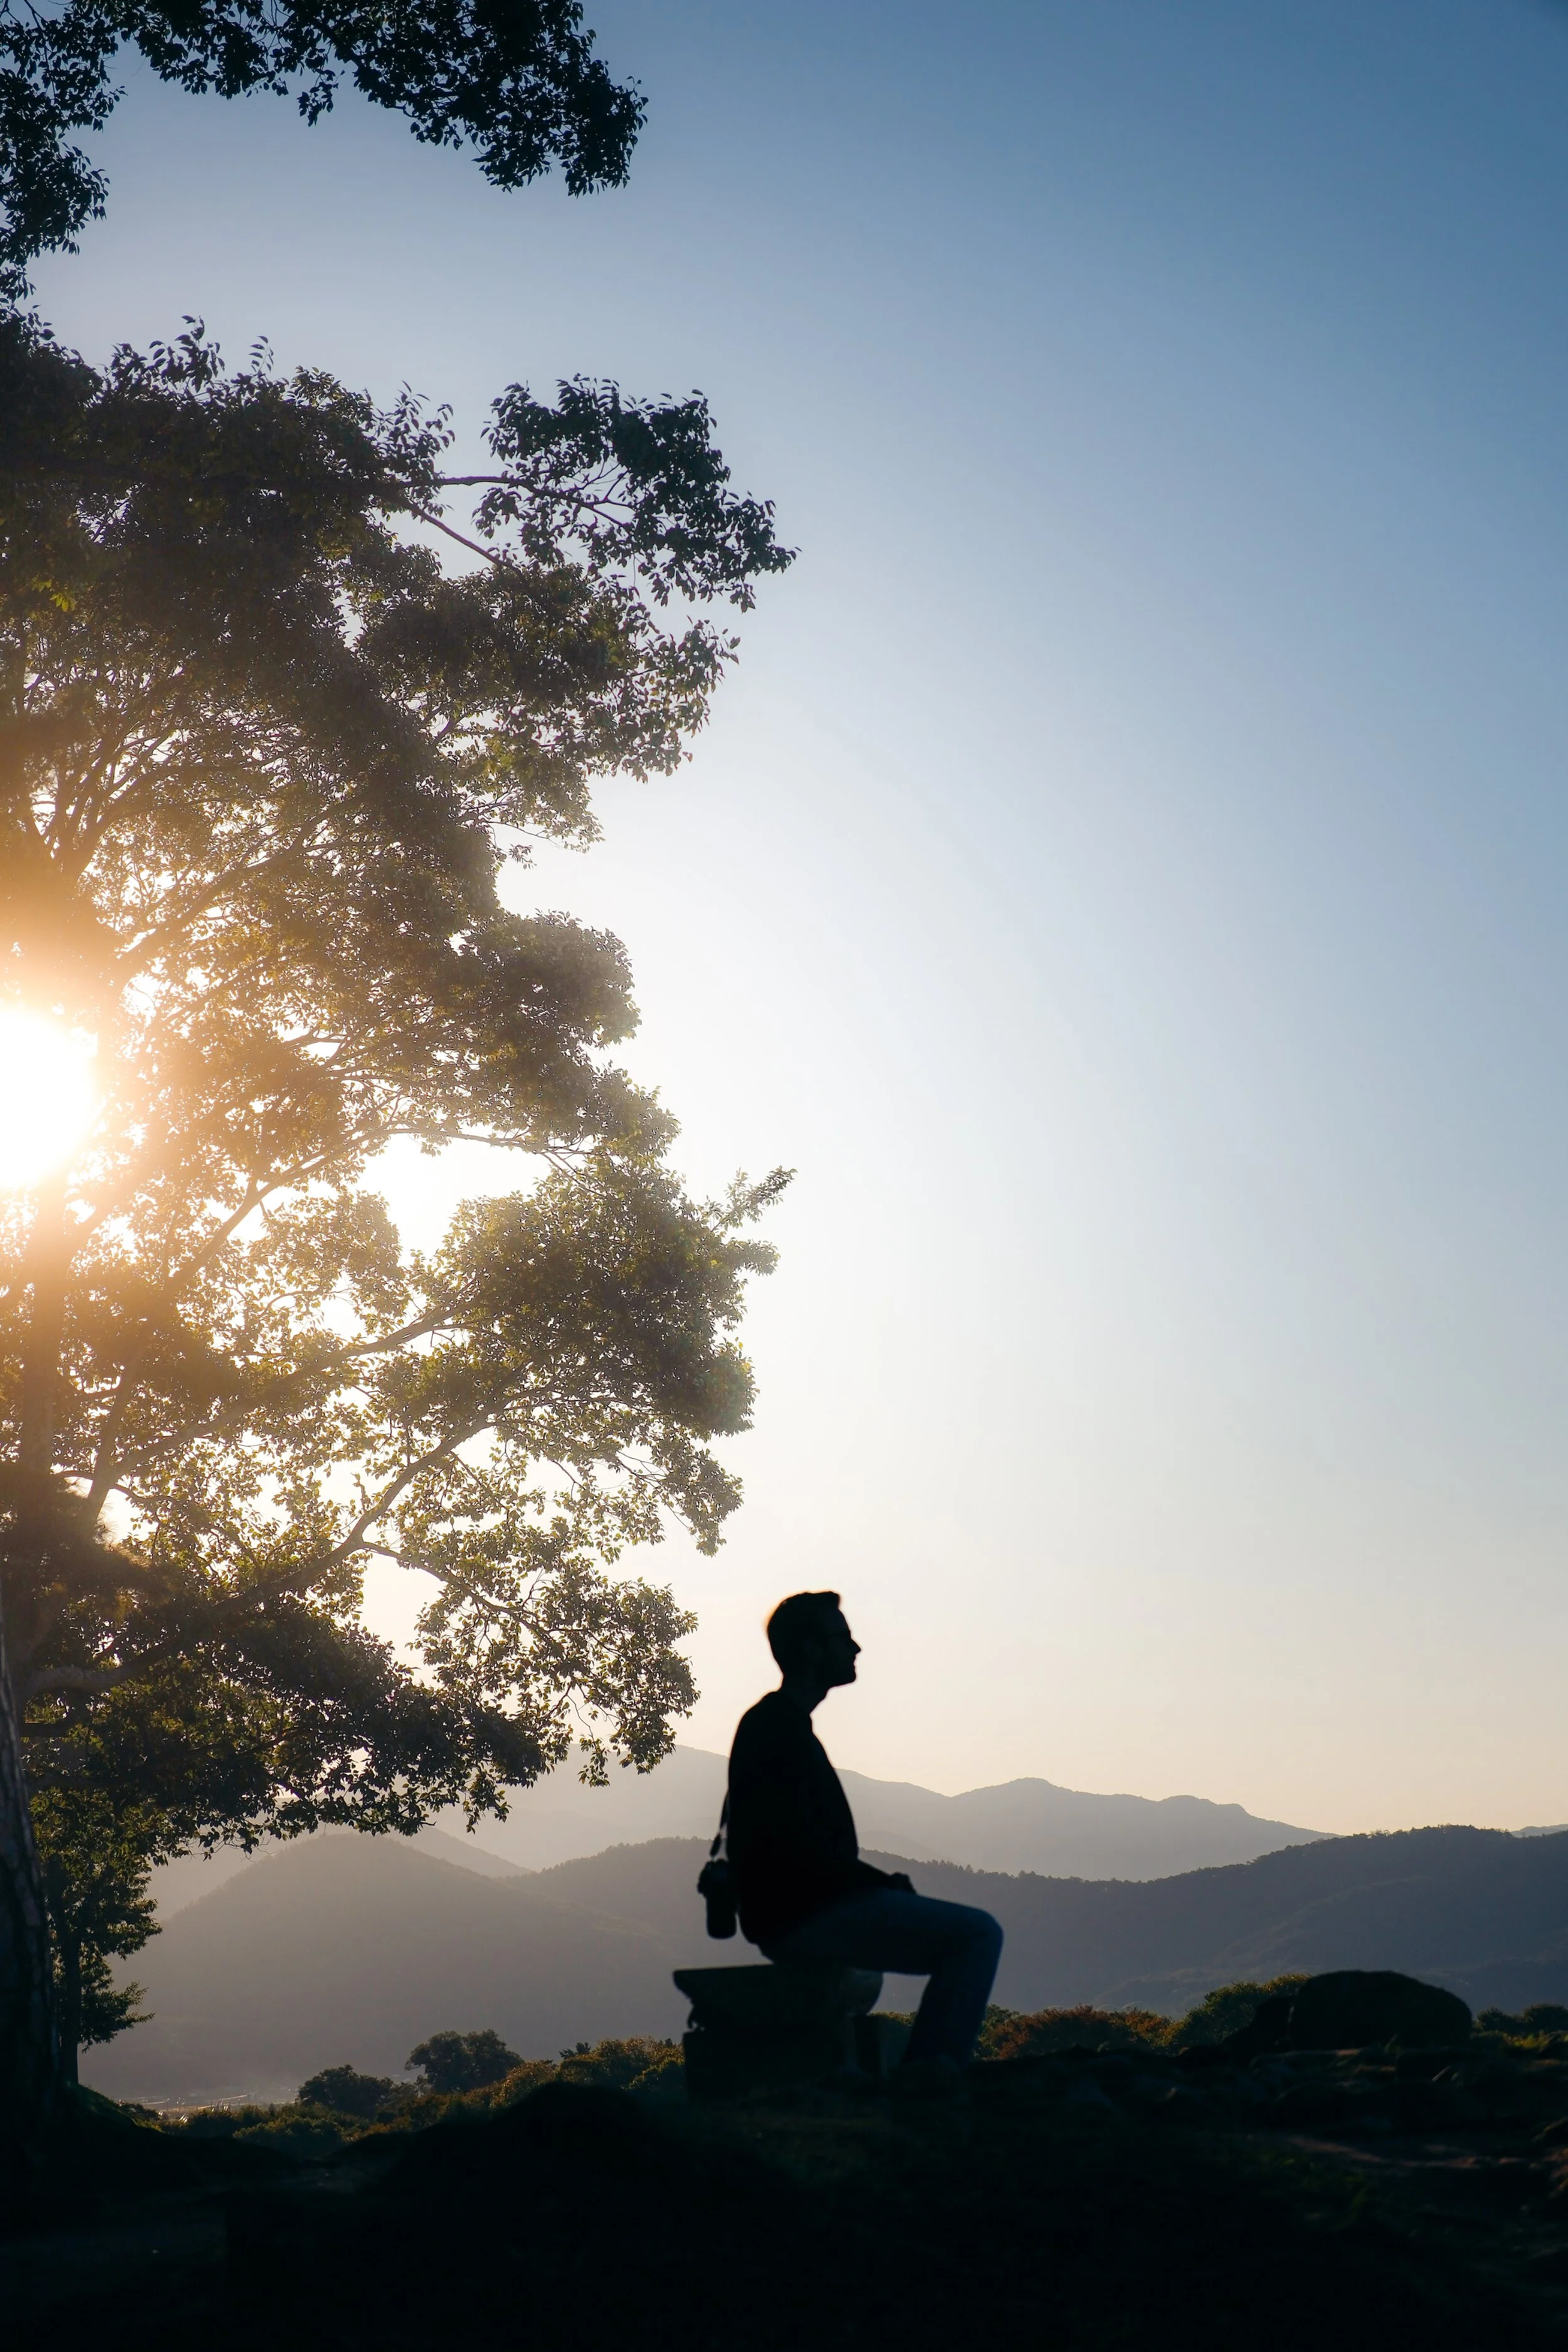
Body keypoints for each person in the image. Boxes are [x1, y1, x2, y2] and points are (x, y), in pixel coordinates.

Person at [725, 1589, 1003, 2090]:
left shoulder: (778, 1725)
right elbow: (795, 1847)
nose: (855, 1649)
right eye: (843, 1637)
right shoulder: (779, 1730)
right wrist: (880, 1885)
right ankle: (930, 2078)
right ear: (811, 1649)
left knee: (967, 1934)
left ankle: (917, 2075)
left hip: (794, 1910)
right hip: (803, 1914)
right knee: (977, 1935)